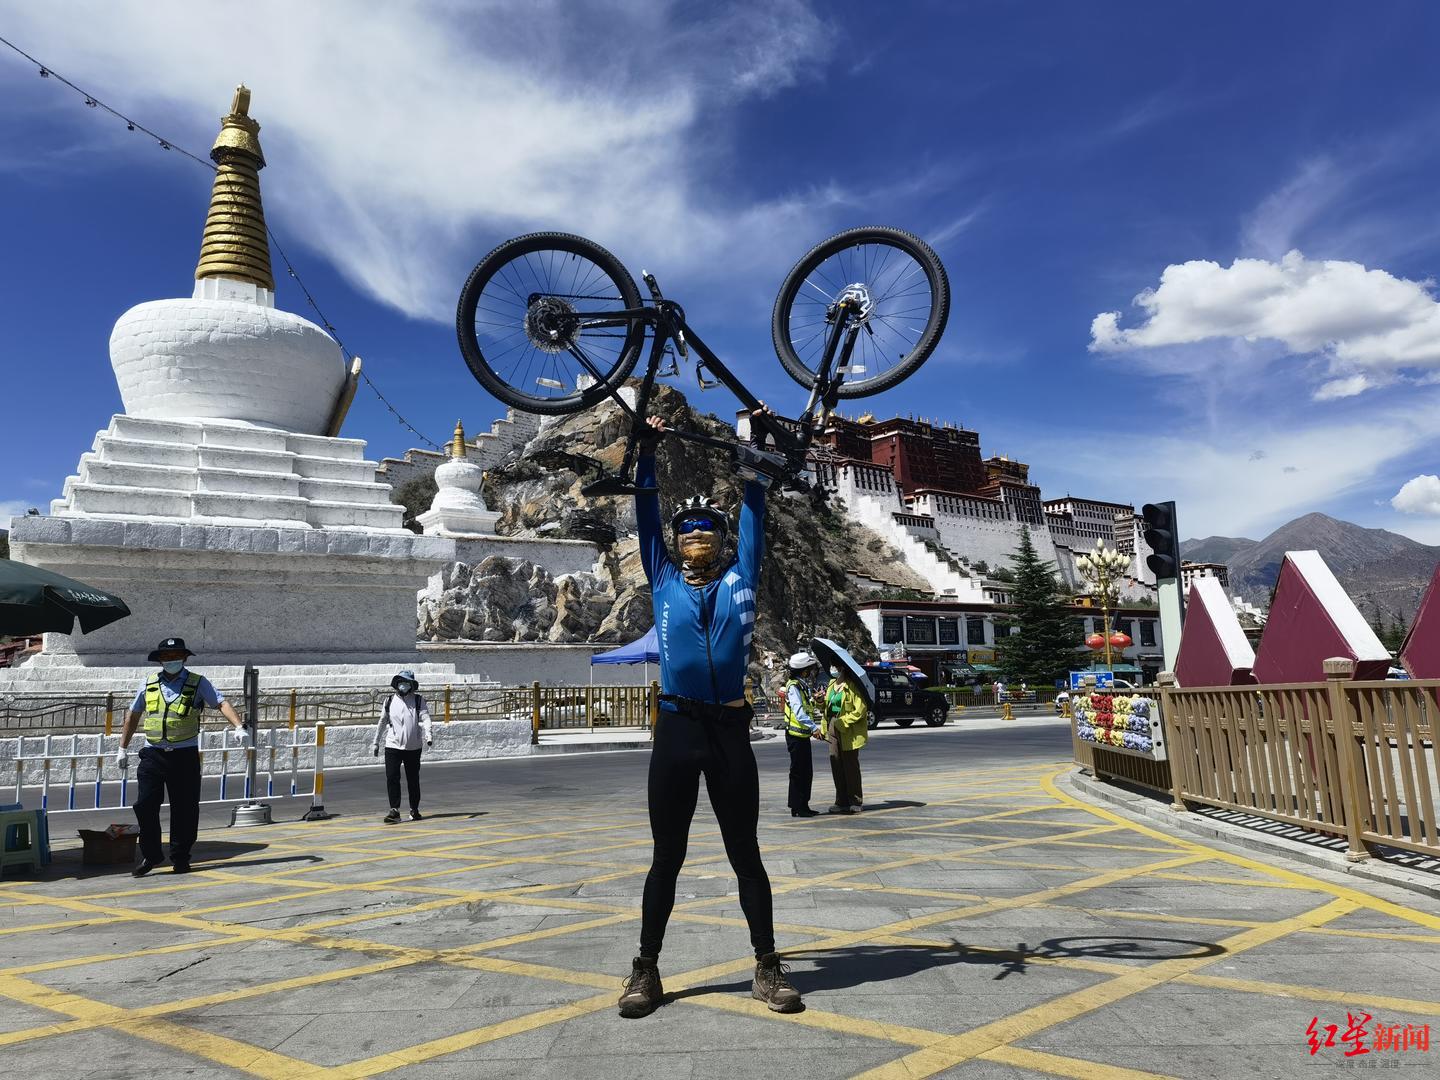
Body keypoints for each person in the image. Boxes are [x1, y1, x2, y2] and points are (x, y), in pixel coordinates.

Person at [618, 412, 801, 1020]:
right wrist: (645, 448)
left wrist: (754, 461)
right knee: (666, 856)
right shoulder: (663, 577)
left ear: (724, 540)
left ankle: (768, 964)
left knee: (744, 852)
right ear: (675, 540)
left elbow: (754, 512)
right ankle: (646, 967)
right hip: (675, 727)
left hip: (728, 728)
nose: (698, 534)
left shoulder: (741, 576)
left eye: (708, 529)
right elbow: (646, 511)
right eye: (688, 528)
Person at [115, 637, 249, 876]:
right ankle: (151, 855)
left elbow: (221, 703)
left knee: (185, 809)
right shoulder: (149, 683)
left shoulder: (198, 683)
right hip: (153, 754)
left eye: (175, 656)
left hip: (184, 754)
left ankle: (180, 857)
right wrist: (122, 748)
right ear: (159, 660)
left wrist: (238, 726)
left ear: (184, 658)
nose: (171, 660)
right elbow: (133, 715)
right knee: (144, 806)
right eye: (166, 657)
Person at [372, 668, 433, 823]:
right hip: (392, 746)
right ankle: (394, 810)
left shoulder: (418, 700)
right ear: (397, 684)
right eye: (401, 682)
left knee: (413, 779)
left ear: (411, 685)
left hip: (413, 747)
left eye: (407, 683)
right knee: (392, 777)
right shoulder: (389, 701)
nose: (403, 686)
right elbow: (382, 722)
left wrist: (429, 734)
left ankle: (414, 809)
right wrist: (376, 742)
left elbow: (426, 718)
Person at [822, 664, 869, 814]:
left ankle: (855, 800)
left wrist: (843, 722)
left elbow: (860, 710)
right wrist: (818, 701)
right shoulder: (831, 684)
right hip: (832, 724)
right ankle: (841, 801)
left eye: (835, 666)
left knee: (850, 765)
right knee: (835, 762)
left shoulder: (852, 685)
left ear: (842, 668)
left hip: (848, 727)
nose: (832, 668)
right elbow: (825, 707)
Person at [782, 651, 823, 817]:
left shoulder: (800, 685)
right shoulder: (794, 687)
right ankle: (799, 807)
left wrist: (815, 699)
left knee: (805, 772)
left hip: (801, 736)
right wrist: (814, 727)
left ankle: (801, 805)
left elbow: (806, 706)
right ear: (804, 670)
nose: (811, 671)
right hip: (796, 736)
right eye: (809, 669)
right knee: (799, 772)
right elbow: (799, 712)